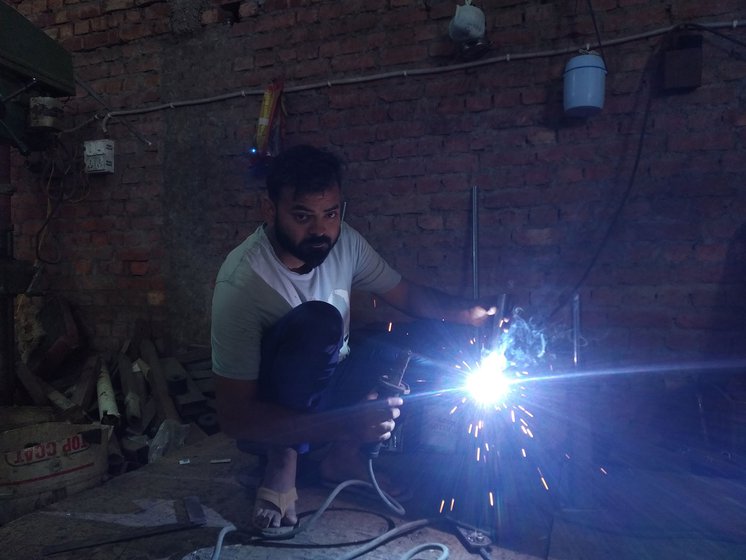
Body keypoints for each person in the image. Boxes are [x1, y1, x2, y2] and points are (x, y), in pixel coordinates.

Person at [211, 144, 496, 531]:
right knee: (321, 321)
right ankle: (283, 465)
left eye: (330, 214)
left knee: (411, 334)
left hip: (328, 384)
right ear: (269, 210)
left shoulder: (345, 242)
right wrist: (348, 423)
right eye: (302, 216)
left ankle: (340, 458)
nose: (320, 231)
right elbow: (236, 418)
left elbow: (407, 295)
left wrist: (473, 314)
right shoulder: (242, 283)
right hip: (271, 413)